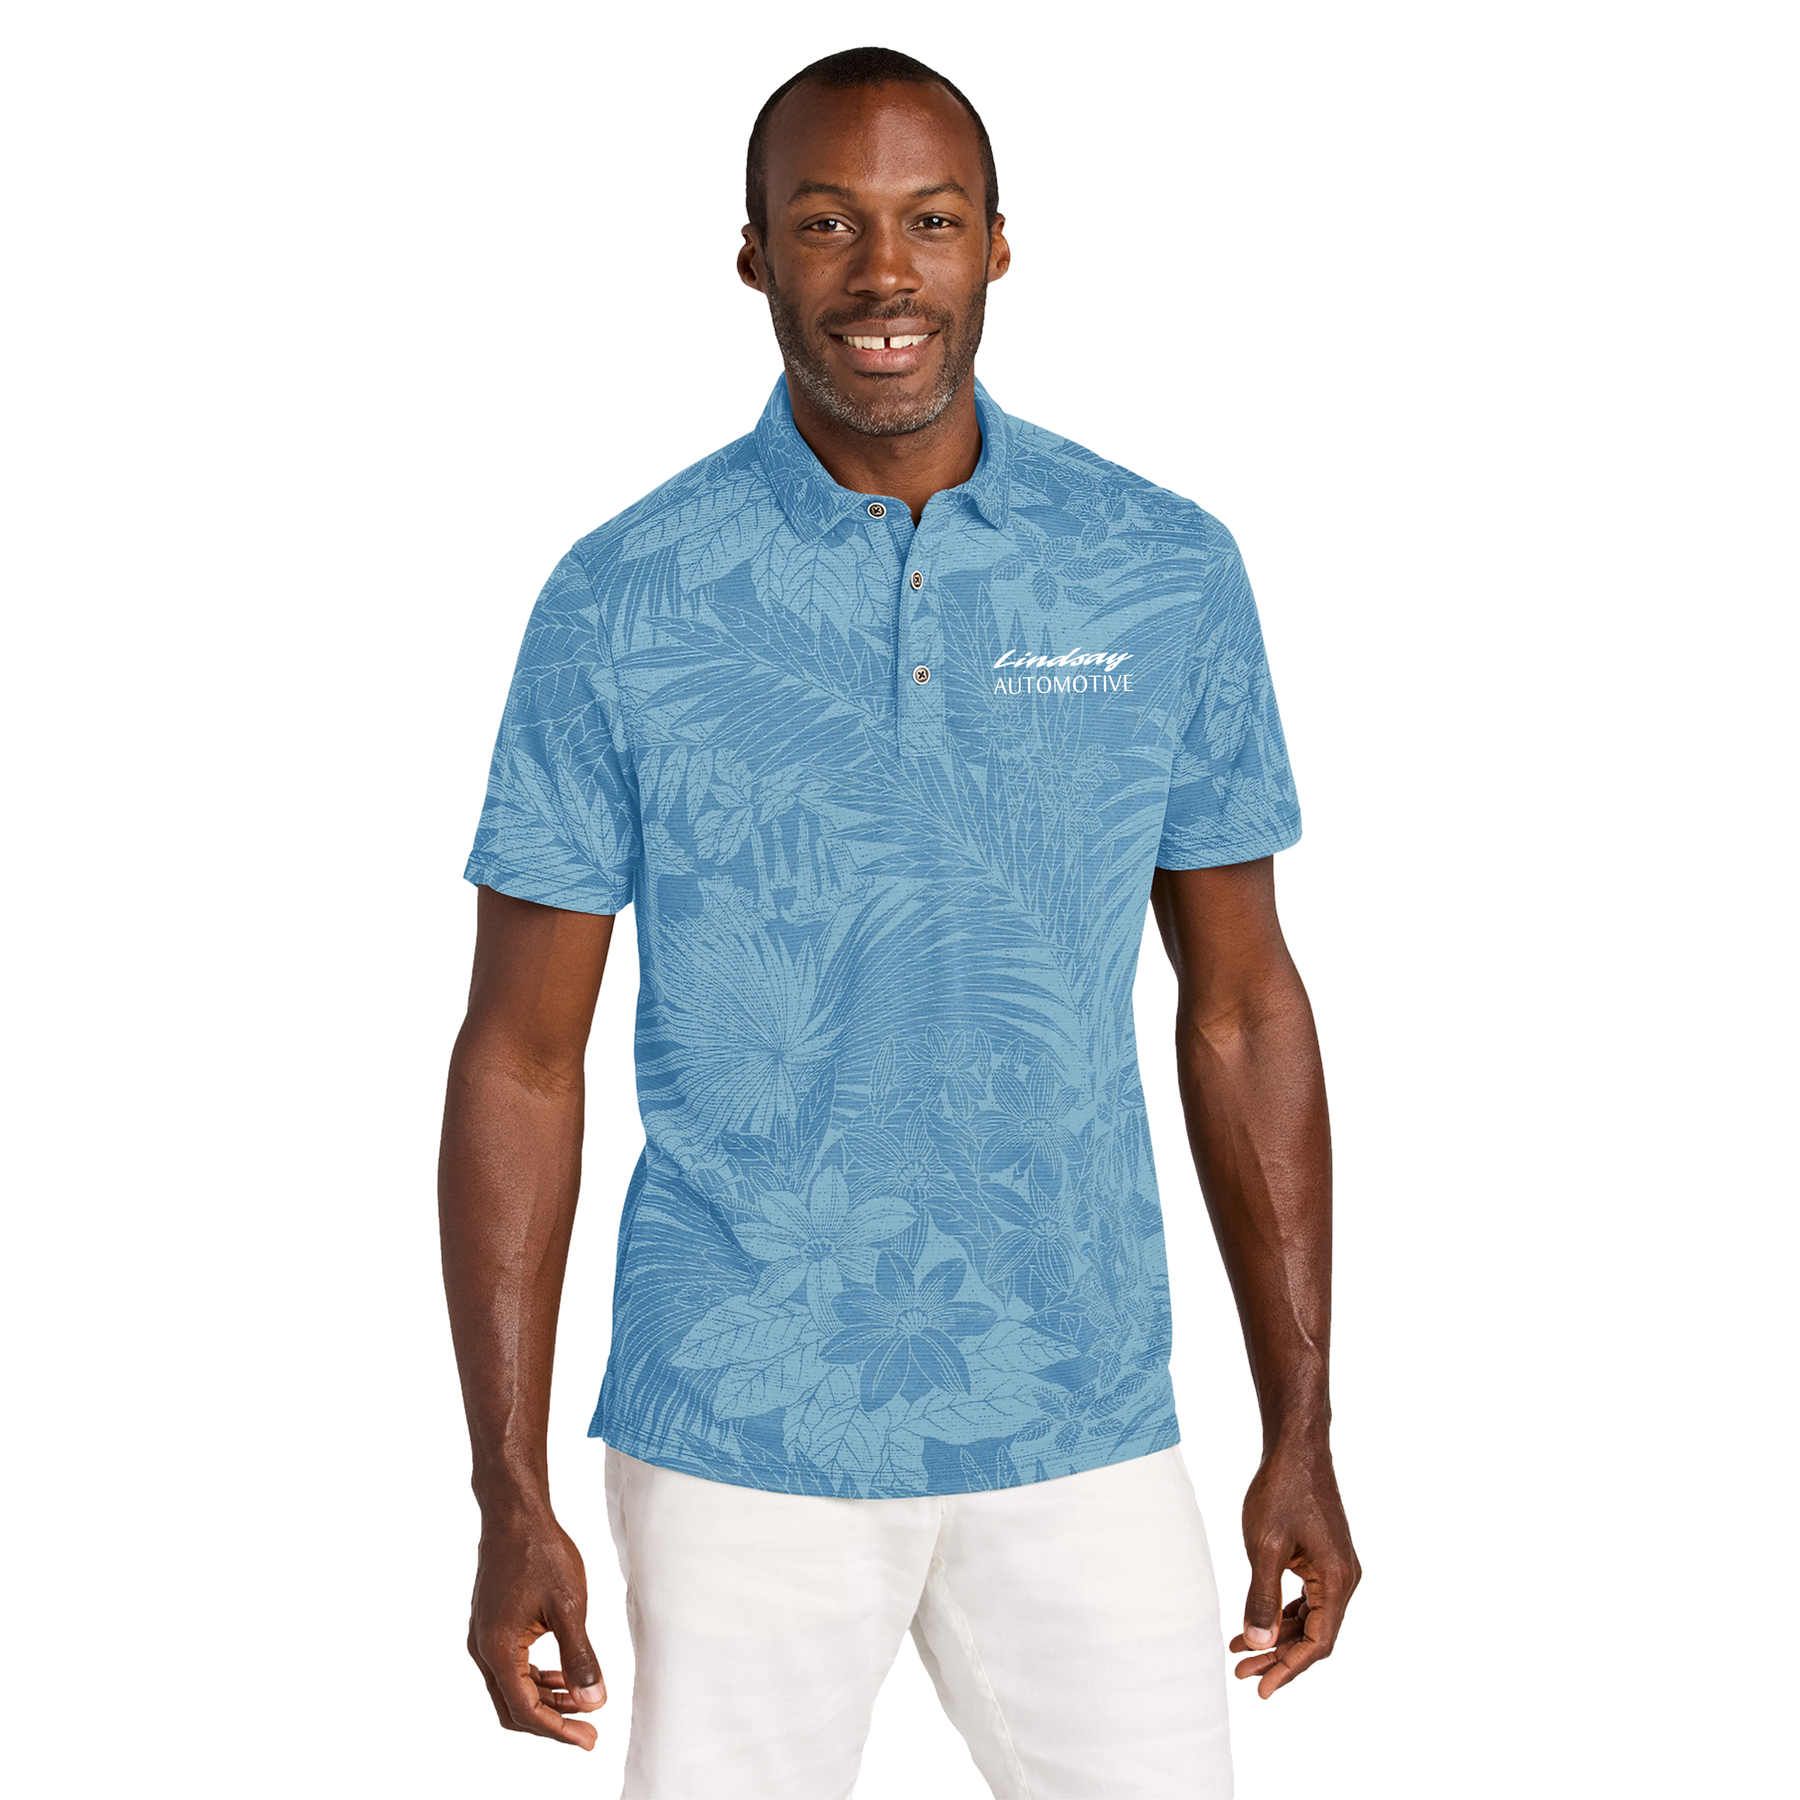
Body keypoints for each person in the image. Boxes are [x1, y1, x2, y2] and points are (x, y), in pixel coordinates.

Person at [439, 44, 1359, 1799]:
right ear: (752, 256)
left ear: (997, 245)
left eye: (930, 222)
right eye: (825, 224)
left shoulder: (1160, 568)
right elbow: (521, 1058)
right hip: (737, 1429)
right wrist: (506, 1488)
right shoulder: (624, 596)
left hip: (1082, 1406)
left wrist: (1300, 1425)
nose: (883, 274)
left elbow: (1243, 1006)